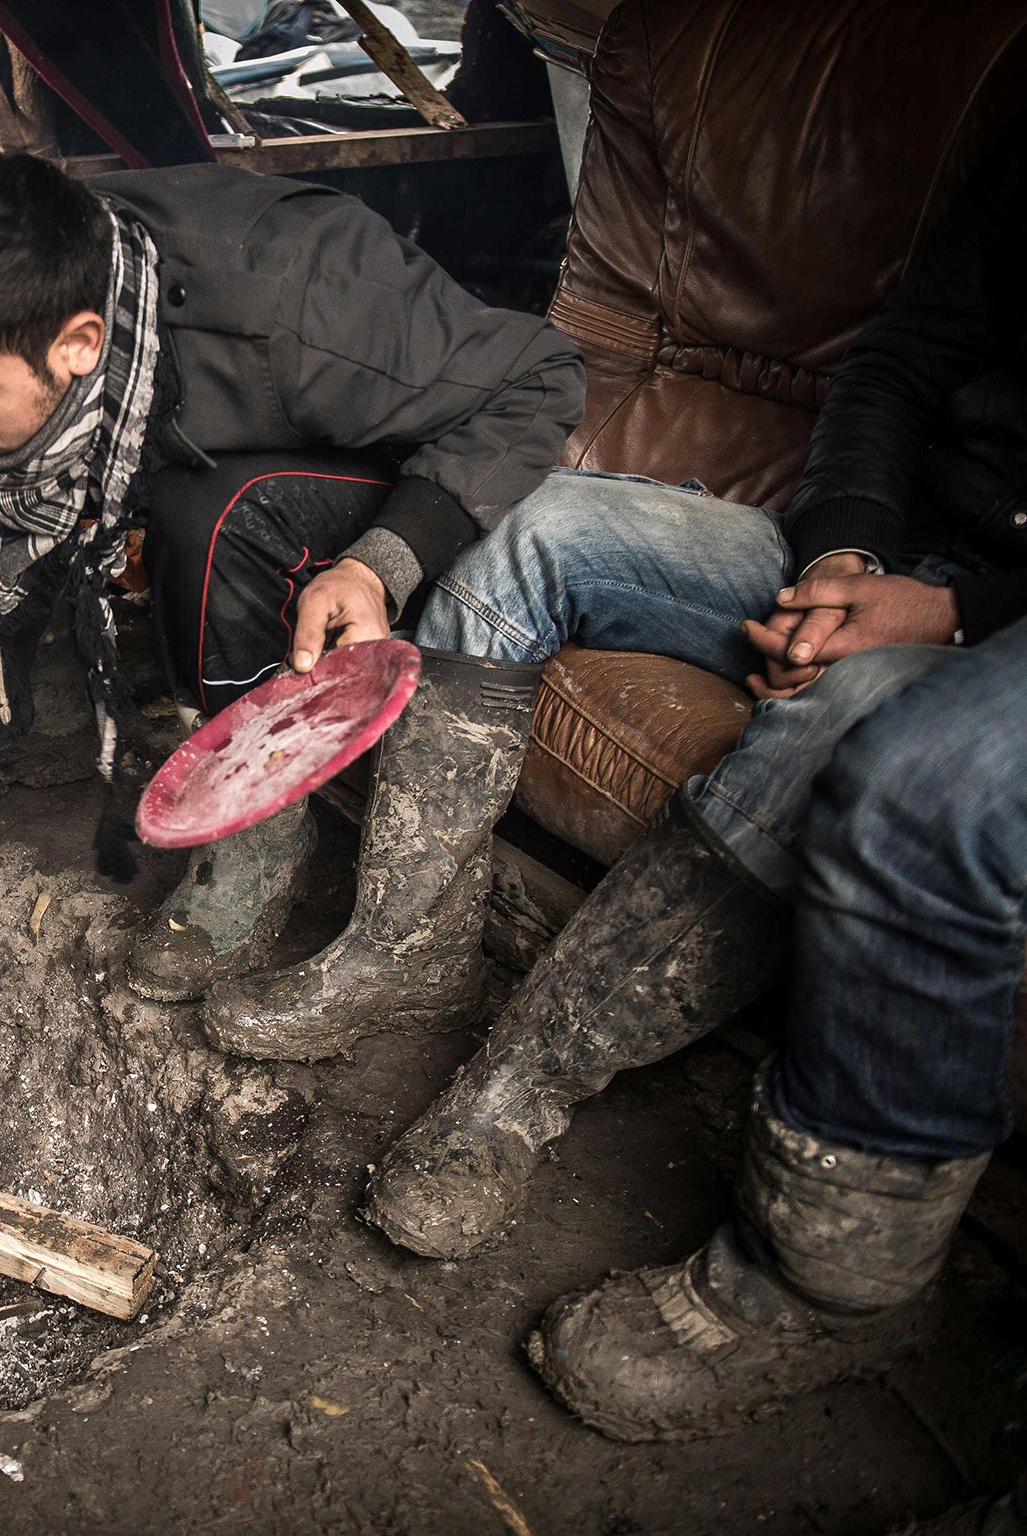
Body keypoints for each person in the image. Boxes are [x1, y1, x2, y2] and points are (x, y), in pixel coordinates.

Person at [355, 122, 1026, 1439]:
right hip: (888, 544)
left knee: (855, 715)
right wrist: (843, 557)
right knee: (537, 533)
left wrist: (937, 620)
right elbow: (899, 362)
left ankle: (517, 1092)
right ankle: (403, 946)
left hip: (991, 626)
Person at [0, 144, 584, 1034]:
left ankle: (260, 823)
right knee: (172, 500)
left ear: (80, 345)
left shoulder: (307, 298)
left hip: (395, 464)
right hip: (208, 434)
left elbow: (540, 379)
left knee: (209, 515)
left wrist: (382, 559)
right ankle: (233, 785)